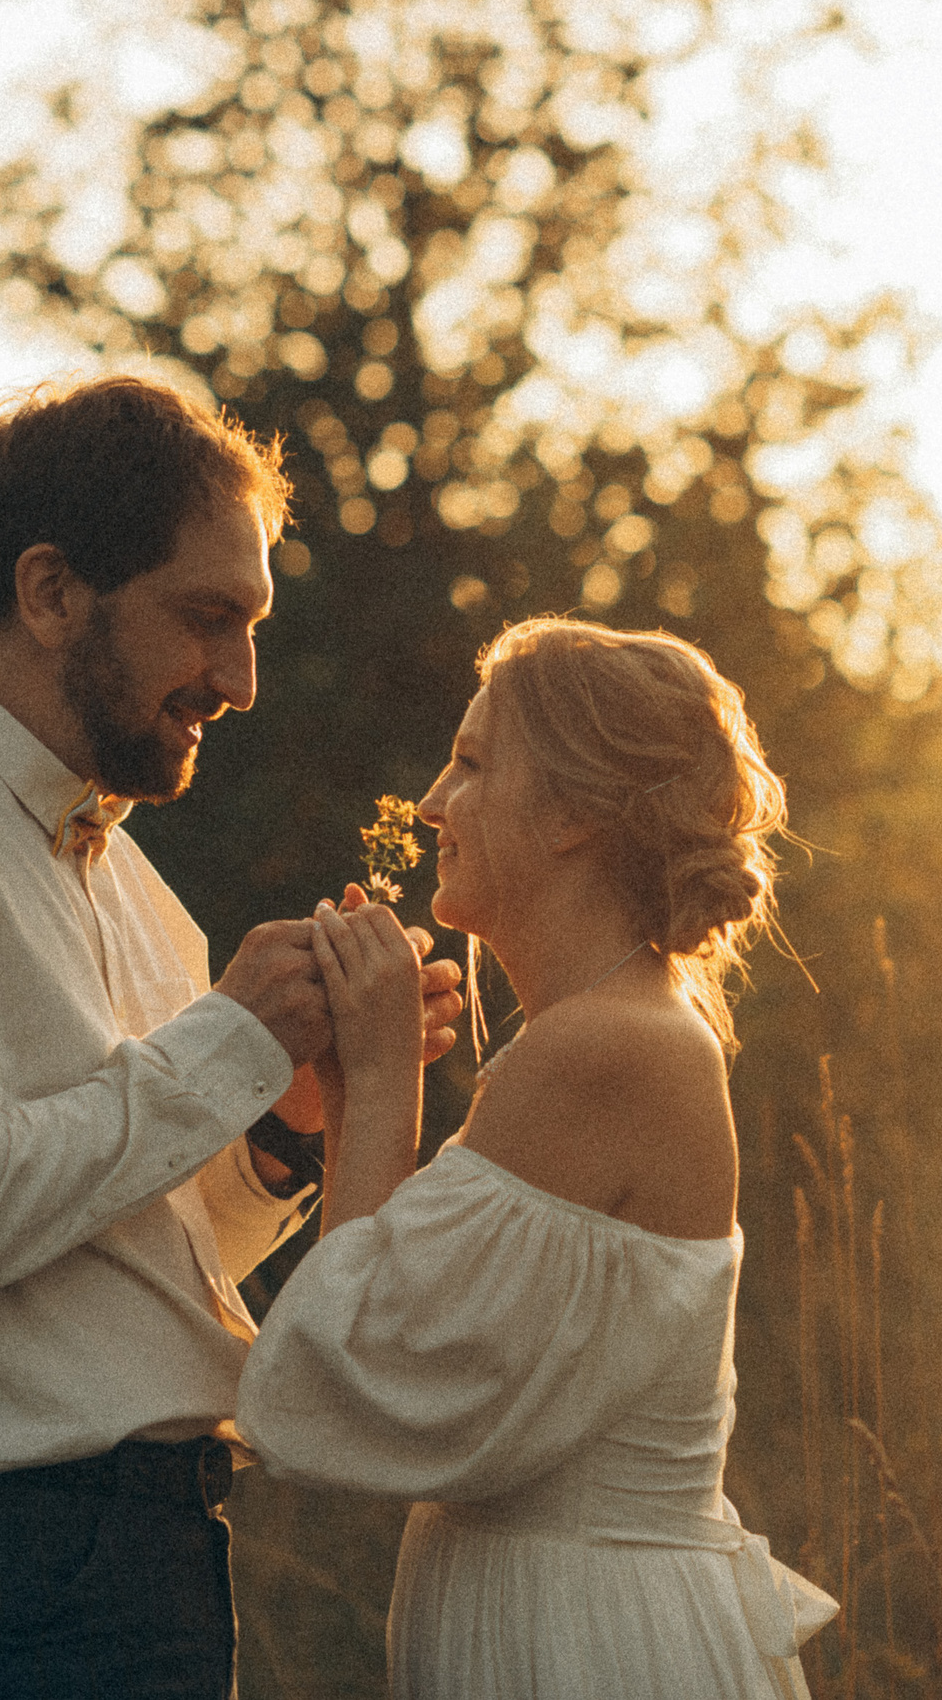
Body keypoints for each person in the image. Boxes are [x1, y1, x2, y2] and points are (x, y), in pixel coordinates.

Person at [0, 375, 464, 1699]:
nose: (240, 681)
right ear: (52, 590)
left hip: (127, 1557)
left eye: (253, 628)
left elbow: (112, 1250)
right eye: (208, 618)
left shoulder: (127, 882)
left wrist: (284, 1117)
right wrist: (227, 1042)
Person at [236, 616, 838, 1698]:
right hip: (572, 1618)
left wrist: (382, 1076)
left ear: (572, 814)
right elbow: (403, 1335)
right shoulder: (604, 1032)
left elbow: (343, 1377)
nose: (432, 802)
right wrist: (355, 1081)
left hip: (590, 1643)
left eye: (471, 763)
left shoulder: (604, 1045)